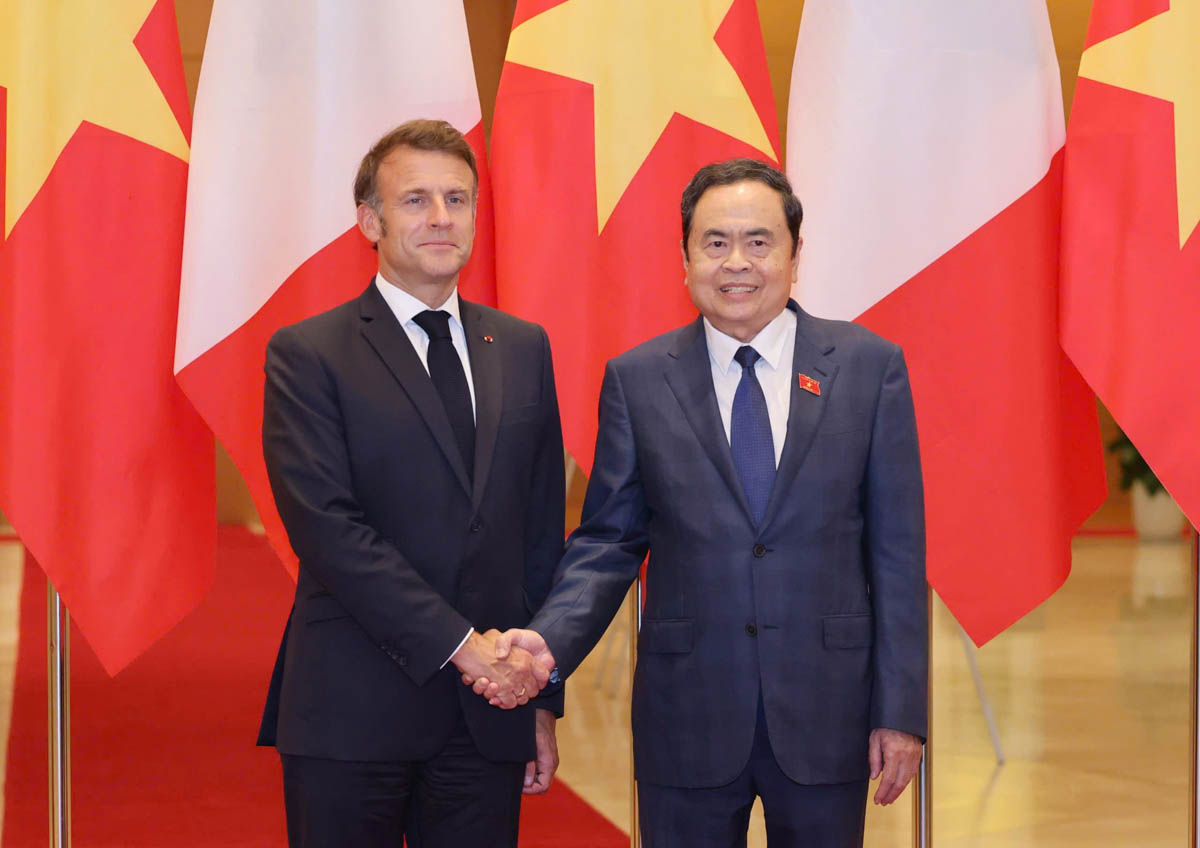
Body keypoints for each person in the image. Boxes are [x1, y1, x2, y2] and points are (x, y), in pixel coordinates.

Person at [472, 159, 927, 847]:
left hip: (826, 712)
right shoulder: (639, 380)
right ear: (684, 260)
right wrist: (546, 644)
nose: (736, 262)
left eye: (759, 241)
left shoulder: (869, 368)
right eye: (715, 243)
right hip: (687, 716)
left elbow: (896, 555)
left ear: (795, 255)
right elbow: (607, 544)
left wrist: (901, 711)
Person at [256, 119, 564, 848]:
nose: (440, 218)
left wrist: (540, 698)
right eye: (416, 200)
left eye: (457, 199)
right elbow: (329, 530)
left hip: (489, 718)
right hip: (352, 709)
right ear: (370, 220)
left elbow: (538, 528)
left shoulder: (522, 347)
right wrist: (464, 648)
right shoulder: (308, 354)